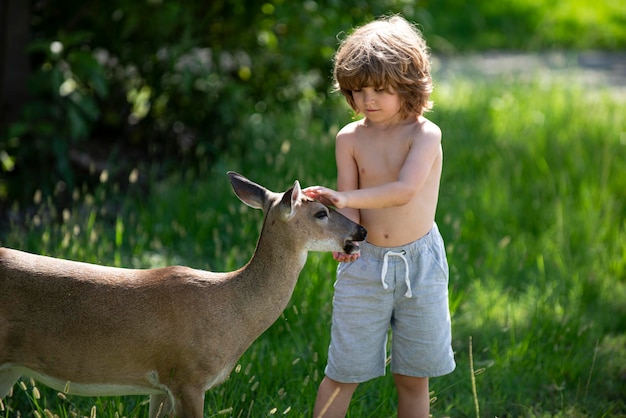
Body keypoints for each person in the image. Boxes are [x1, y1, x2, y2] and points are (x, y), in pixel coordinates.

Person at [303, 15, 455, 418]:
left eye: (379, 89)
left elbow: (405, 191)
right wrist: (345, 241)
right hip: (365, 267)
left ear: (408, 84)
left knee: (413, 375)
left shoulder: (425, 135)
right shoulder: (350, 138)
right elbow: (351, 207)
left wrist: (344, 195)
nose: (367, 100)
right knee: (344, 372)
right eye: (357, 91)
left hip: (420, 266)